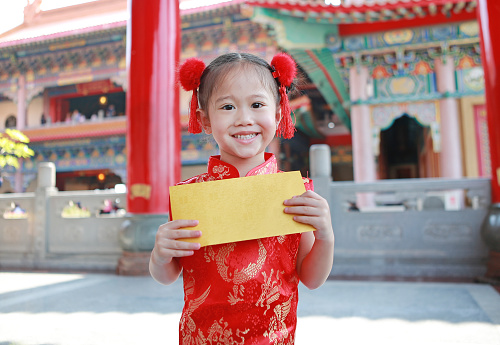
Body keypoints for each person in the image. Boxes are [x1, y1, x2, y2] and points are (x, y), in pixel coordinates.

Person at [149, 52, 335, 344]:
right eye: (227, 106)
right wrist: (159, 254)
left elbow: (311, 278)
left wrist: (326, 236)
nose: (244, 119)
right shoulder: (192, 197)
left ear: (277, 113)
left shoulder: (295, 194)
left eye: (257, 104)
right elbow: (167, 274)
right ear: (205, 120)